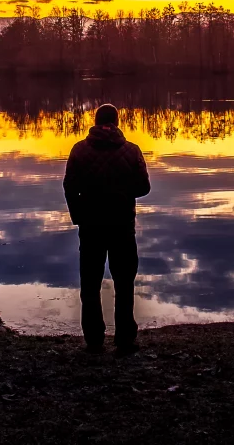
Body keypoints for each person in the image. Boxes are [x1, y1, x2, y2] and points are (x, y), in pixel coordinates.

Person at [63, 103, 150, 354]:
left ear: (95, 120)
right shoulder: (131, 151)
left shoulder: (79, 150)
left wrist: (78, 215)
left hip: (90, 226)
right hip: (122, 225)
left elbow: (69, 187)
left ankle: (93, 338)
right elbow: (143, 188)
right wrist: (122, 191)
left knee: (90, 282)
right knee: (124, 282)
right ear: (117, 122)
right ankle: (124, 337)